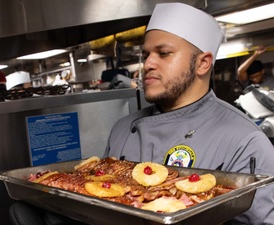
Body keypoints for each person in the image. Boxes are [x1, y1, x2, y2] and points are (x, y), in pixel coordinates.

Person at [104, 2, 274, 225]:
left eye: (164, 53)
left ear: (203, 63)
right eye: (146, 54)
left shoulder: (245, 141)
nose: (148, 64)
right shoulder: (122, 128)